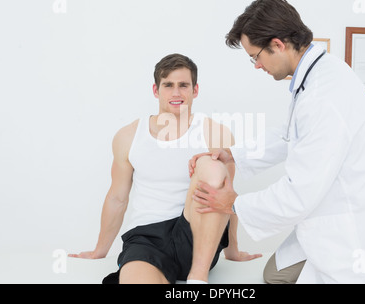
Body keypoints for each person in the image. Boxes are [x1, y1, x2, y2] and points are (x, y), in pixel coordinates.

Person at [189, 0, 365, 283]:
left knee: (276, 278)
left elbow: (299, 193)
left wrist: (233, 204)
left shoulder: (323, 97)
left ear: (278, 44)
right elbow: (290, 136)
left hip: (355, 234)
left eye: (256, 56)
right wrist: (235, 154)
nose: (256, 66)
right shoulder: (318, 75)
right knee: (274, 274)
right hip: (337, 214)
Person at [69, 53, 261, 284]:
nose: (176, 93)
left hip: (196, 238)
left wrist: (233, 251)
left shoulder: (215, 133)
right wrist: (99, 250)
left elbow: (224, 197)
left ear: (195, 90)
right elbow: (117, 198)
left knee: (210, 165)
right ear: (156, 90)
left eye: (183, 85)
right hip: (146, 240)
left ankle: (197, 279)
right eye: (168, 85)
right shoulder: (129, 136)